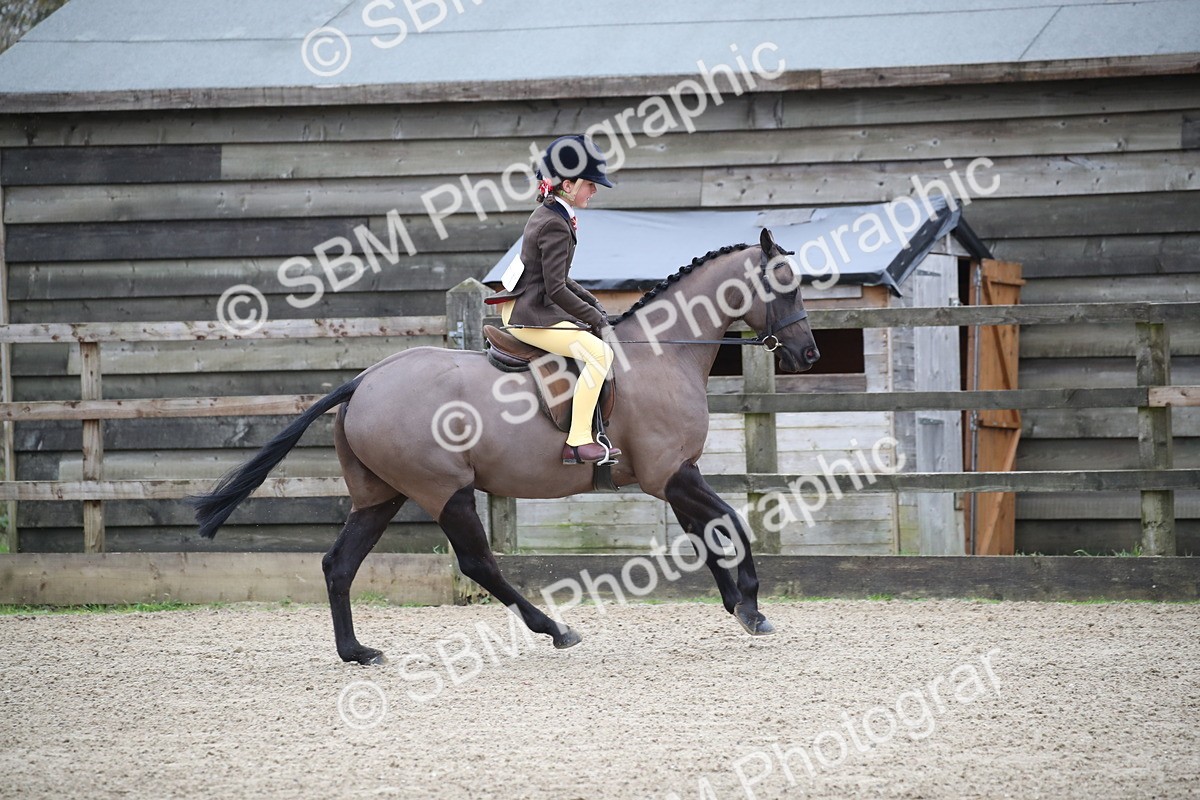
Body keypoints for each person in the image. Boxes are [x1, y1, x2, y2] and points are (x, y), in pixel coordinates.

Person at [487, 134, 621, 465]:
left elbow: (560, 279)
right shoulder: (554, 224)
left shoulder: (551, 214)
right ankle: (578, 441)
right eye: (590, 184)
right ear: (568, 183)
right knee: (600, 354)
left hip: (528, 306)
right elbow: (556, 289)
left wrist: (593, 304)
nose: (594, 190)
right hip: (529, 314)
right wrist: (597, 320)